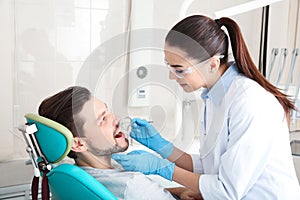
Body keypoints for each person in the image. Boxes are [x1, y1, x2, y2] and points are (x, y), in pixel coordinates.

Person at [112, 15, 300, 199]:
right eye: (169, 67)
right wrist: (162, 147)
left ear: (212, 64)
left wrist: (161, 168)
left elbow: (226, 190)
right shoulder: (213, 96)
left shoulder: (249, 102)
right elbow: (210, 166)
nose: (171, 77)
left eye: (179, 70)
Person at [38, 86, 199, 200]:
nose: (116, 119)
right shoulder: (132, 185)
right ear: (79, 144)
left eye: (107, 111)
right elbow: (133, 192)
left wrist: (178, 191)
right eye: (102, 119)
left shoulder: (73, 176)